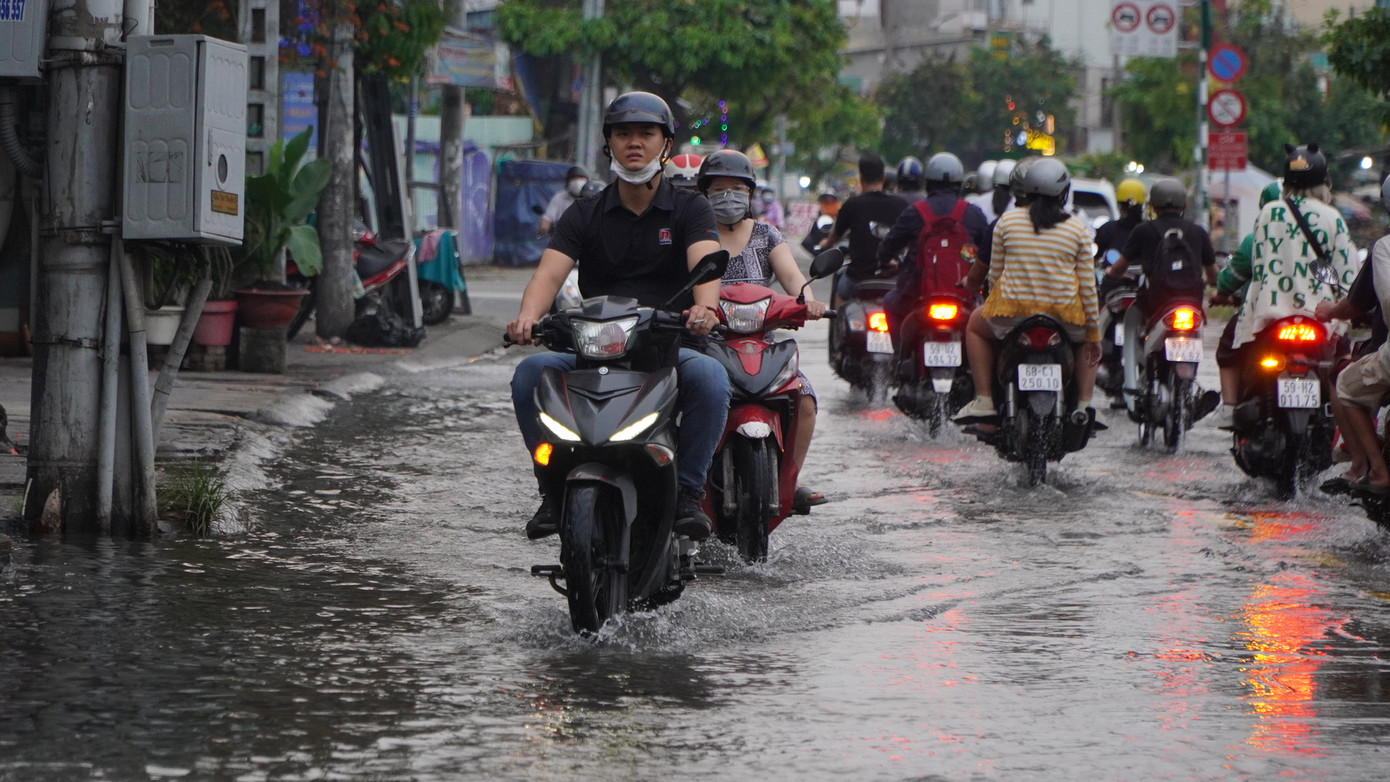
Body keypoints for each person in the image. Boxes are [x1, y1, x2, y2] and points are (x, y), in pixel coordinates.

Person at [507, 91, 729, 541]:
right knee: (529, 374)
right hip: (593, 349)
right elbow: (548, 276)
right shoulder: (584, 212)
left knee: (710, 377)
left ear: (664, 144)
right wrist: (527, 318)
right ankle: (551, 492)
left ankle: (688, 491)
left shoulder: (690, 208)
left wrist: (704, 309)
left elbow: (707, 263)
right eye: (623, 133)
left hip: (668, 346)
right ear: (608, 143)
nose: (634, 143)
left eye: (646, 134)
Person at [698, 150, 829, 511]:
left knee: (804, 399)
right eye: (719, 189)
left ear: (751, 194)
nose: (728, 196)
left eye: (737, 188)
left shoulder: (767, 235)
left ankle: (790, 480)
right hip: (709, 346)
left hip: (763, 347)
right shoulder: (696, 236)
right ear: (703, 193)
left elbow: (793, 279)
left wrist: (809, 302)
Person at [1210, 142, 1358, 429]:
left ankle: (1232, 410)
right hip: (1321, 318)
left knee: (1235, 351)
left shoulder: (1269, 214)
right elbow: (1345, 276)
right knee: (1341, 366)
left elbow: (1256, 266)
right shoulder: (1333, 217)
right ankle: (1344, 433)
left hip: (1270, 315)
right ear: (1323, 180)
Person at [954, 158, 1102, 426]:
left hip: (1012, 315)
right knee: (1086, 342)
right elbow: (1087, 287)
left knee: (974, 327)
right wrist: (1093, 333)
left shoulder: (1006, 223)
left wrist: (993, 306)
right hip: (1064, 319)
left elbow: (995, 277)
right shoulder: (1078, 229)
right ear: (1063, 193)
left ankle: (985, 400)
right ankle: (1084, 404)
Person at [1104, 178, 1218, 400]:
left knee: (1131, 318)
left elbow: (1119, 268)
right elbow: (1213, 276)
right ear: (1183, 206)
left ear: (1153, 206)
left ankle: (1130, 383)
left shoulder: (1143, 230)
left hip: (1155, 302)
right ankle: (1193, 390)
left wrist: (1110, 275)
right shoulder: (1197, 232)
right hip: (1191, 303)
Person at [1312, 175, 1390, 495]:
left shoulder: (1383, 248)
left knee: (1345, 382)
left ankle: (1368, 469)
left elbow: (1354, 305)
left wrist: (1329, 311)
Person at [876, 152, 989, 351]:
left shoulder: (915, 212)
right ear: (959, 183)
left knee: (888, 303)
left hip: (916, 294)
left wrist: (885, 262)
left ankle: (899, 359)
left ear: (928, 182)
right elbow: (988, 253)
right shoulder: (973, 213)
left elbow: (888, 246)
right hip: (964, 293)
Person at [817, 153, 908, 306]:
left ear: (860, 177)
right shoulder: (901, 205)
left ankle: (838, 327)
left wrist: (824, 244)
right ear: (883, 177)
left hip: (858, 278)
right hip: (893, 278)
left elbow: (835, 236)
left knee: (841, 291)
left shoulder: (852, 205)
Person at [1094, 178, 1147, 267]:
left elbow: (1094, 259)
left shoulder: (1107, 229)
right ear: (1142, 206)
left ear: (1119, 205)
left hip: (1112, 279)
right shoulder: (1150, 230)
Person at [537, 165, 589, 237]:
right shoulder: (560, 197)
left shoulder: (590, 198)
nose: (577, 182)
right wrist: (544, 226)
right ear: (568, 182)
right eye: (574, 178)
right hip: (564, 238)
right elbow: (548, 217)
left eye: (580, 178)